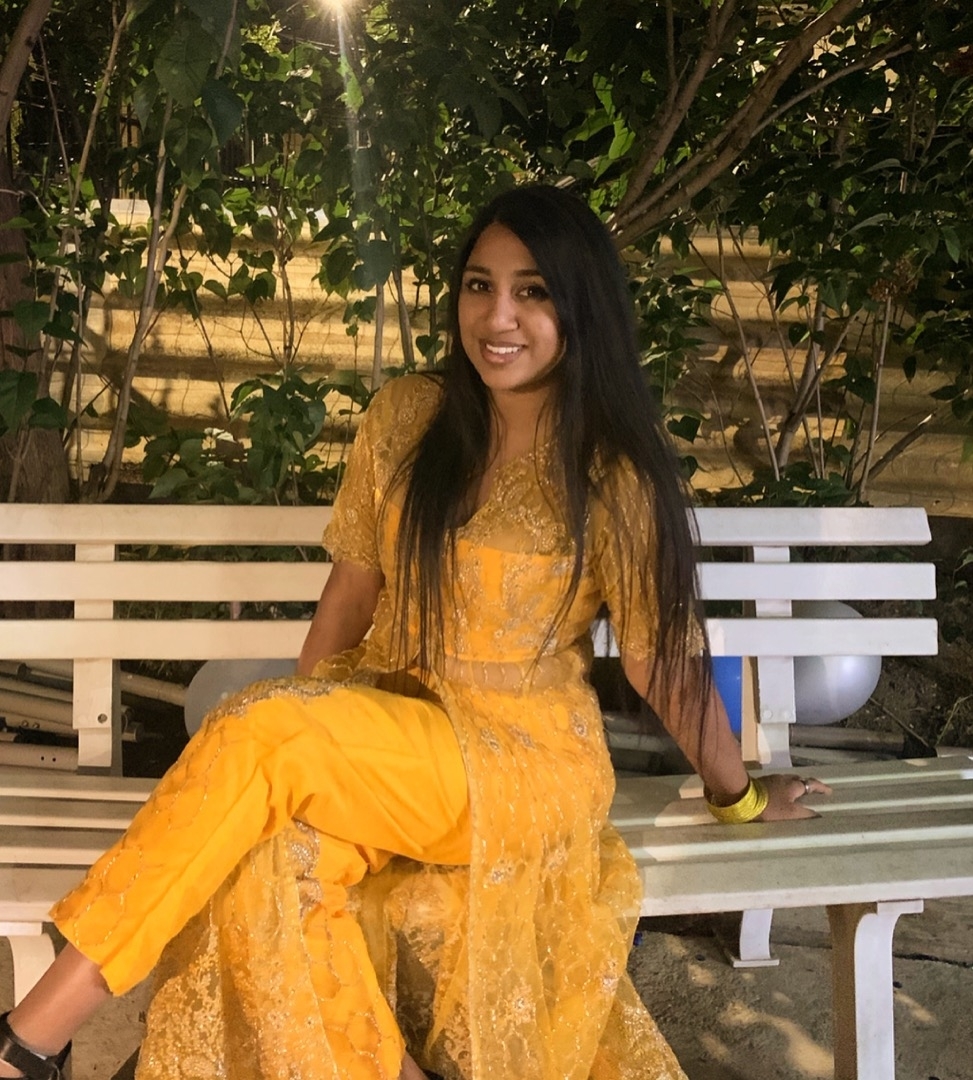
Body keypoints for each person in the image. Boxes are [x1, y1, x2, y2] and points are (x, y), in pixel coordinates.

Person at [0, 184, 828, 1080]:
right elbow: (351, 591)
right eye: (479, 285)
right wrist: (311, 722)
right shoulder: (407, 416)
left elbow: (660, 661)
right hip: (391, 729)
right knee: (273, 854)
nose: (497, 317)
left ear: (581, 308)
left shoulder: (611, 475)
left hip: (517, 759)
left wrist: (737, 795)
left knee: (260, 731)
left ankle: (29, 1038)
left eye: (532, 291)